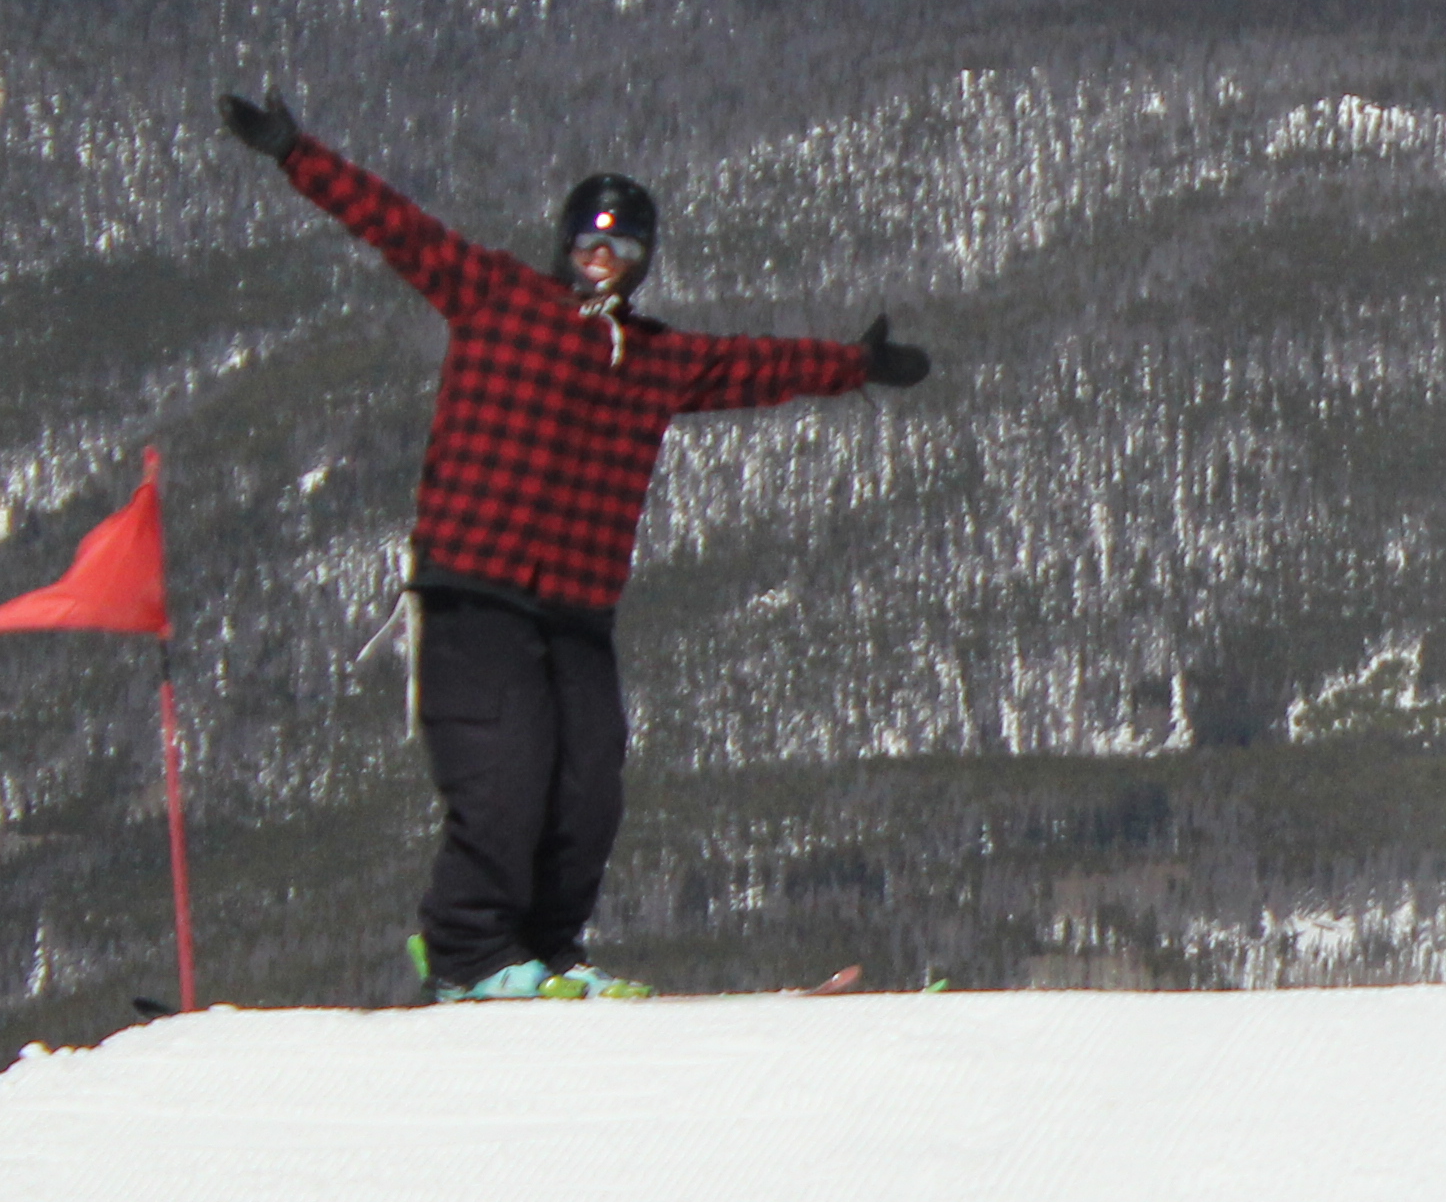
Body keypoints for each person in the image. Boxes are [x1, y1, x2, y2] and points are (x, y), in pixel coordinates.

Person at [218, 92, 931, 1002]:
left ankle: (550, 953)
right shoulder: (495, 297)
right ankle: (468, 955)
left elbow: (756, 366)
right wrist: (293, 152)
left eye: (623, 250)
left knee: (587, 790)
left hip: (577, 610)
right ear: (563, 245)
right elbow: (392, 225)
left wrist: (855, 366)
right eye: (591, 244)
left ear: (641, 265)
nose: (603, 261)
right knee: (505, 773)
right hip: (475, 591)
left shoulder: (656, 358)